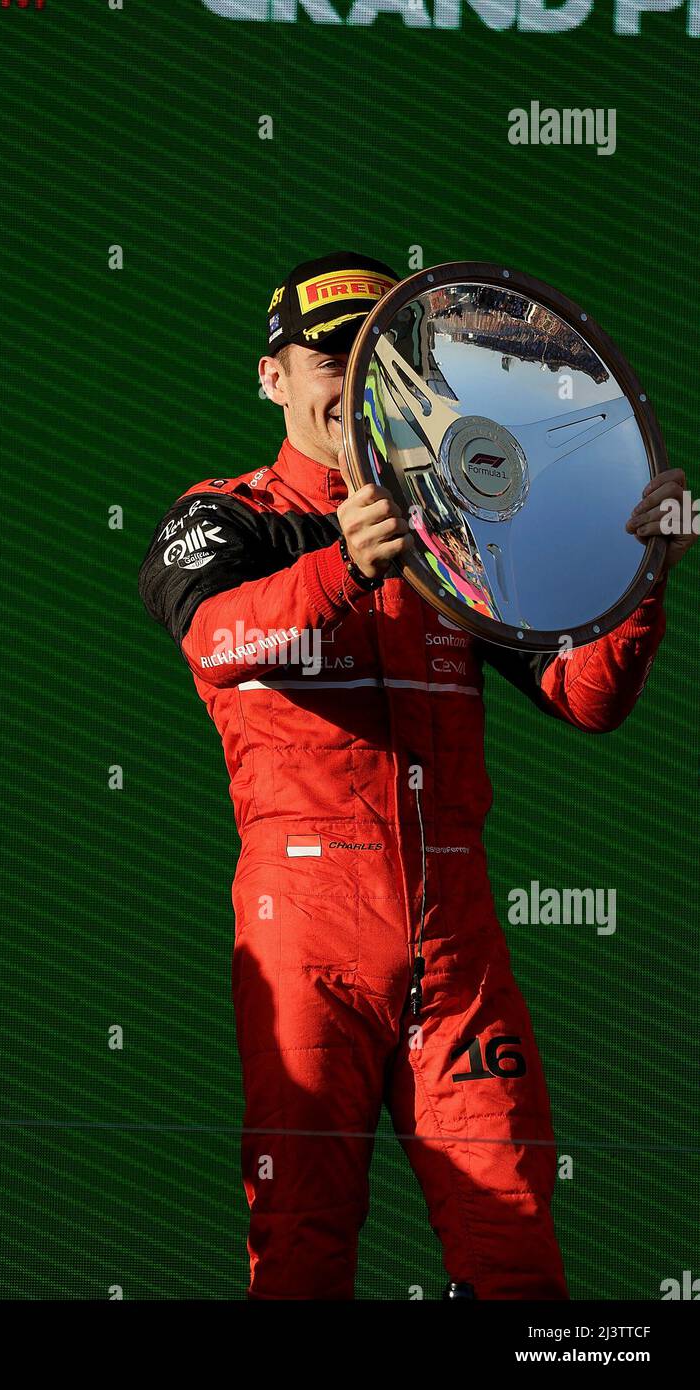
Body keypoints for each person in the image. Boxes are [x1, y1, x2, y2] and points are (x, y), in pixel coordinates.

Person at [137, 251, 693, 1300]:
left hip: (456, 945)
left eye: (378, 352)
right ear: (272, 380)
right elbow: (215, 643)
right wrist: (343, 564)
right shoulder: (226, 517)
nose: (352, 377)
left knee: (515, 1254)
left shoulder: (457, 529)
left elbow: (586, 698)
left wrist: (637, 585)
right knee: (300, 1248)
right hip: (306, 936)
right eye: (327, 356)